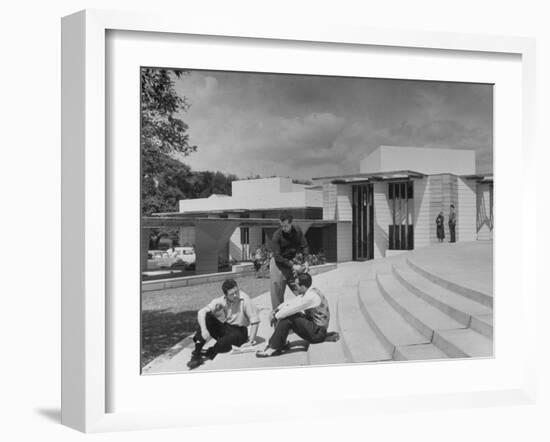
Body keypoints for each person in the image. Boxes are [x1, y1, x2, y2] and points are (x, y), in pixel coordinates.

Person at [256, 273, 336, 358]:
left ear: (303, 286)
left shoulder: (310, 297)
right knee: (290, 315)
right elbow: (292, 302)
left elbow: (292, 309)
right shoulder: (311, 290)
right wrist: (276, 310)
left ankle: (274, 347)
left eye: (297, 285)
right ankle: (277, 344)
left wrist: (275, 316)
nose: (295, 287)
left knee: (290, 317)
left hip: (317, 334)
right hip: (317, 329)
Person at [187, 279, 260, 370]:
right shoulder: (221, 300)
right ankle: (196, 355)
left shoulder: (245, 298)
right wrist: (204, 329)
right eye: (232, 294)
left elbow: (255, 320)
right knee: (207, 317)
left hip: (240, 331)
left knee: (222, 344)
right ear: (225, 295)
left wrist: (251, 341)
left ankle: (209, 351)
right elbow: (201, 312)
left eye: (236, 292)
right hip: (227, 327)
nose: (235, 295)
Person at [270, 212, 310, 309]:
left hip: (290, 262)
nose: (283, 228)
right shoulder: (277, 236)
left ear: (291, 223)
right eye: (282, 226)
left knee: (302, 290)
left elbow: (305, 246)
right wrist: (292, 266)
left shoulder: (297, 231)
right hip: (278, 265)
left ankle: (309, 317)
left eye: (286, 226)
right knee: (277, 297)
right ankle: (278, 321)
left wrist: (306, 261)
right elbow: (277, 256)